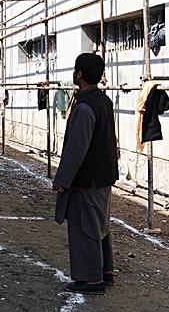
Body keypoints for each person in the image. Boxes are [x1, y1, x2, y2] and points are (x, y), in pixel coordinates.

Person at [53, 53, 118, 295]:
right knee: (100, 225)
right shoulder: (104, 101)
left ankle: (91, 280)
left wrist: (62, 179)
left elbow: (77, 148)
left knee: (86, 228)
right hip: (102, 175)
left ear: (79, 74)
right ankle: (105, 272)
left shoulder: (84, 107)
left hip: (87, 178)